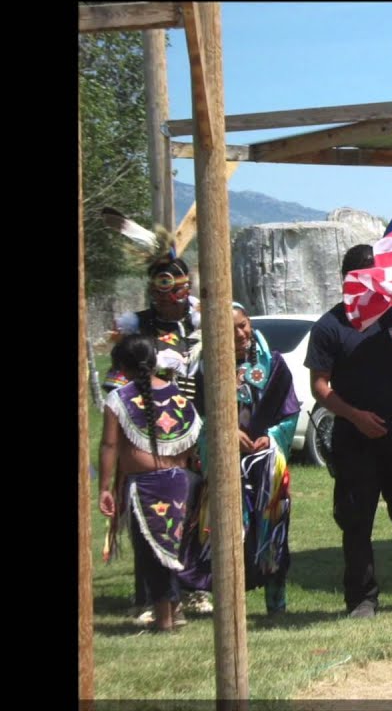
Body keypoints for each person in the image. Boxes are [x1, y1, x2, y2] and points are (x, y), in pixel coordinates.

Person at [305, 244, 392, 618]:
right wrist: (355, 415)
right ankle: (362, 598)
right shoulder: (330, 326)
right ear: (349, 280)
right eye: (366, 277)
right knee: (356, 522)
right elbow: (320, 386)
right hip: (354, 439)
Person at [178, 303, 301, 615]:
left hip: (265, 463)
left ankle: (277, 604)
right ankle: (228, 605)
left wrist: (271, 436)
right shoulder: (203, 370)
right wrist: (225, 434)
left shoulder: (272, 364)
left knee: (272, 525)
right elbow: (191, 417)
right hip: (222, 464)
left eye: (244, 325)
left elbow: (289, 411)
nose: (241, 333)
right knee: (226, 530)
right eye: (232, 328)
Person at [98, 334, 202, 633]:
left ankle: (165, 618)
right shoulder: (180, 397)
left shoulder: (118, 399)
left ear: (122, 367)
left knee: (153, 554)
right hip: (178, 482)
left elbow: (109, 446)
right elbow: (190, 444)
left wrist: (105, 487)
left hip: (145, 486)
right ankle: (172, 609)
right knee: (170, 548)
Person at [104, 254, 203, 405]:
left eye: (174, 291)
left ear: (187, 287)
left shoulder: (206, 323)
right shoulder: (135, 329)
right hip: (151, 418)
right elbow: (118, 389)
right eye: (158, 293)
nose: (165, 299)